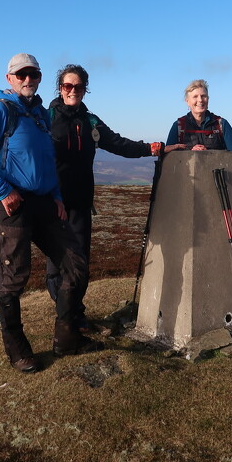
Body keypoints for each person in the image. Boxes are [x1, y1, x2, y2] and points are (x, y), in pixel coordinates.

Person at [0, 53, 99, 373]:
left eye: (32, 74)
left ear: (38, 78)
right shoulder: (0, 111)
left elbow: (45, 160)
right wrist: (4, 190)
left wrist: (56, 195)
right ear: (9, 78)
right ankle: (17, 348)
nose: (27, 79)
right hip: (12, 205)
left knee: (75, 264)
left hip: (45, 203)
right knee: (14, 278)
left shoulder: (39, 113)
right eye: (20, 75)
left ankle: (66, 338)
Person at [45, 64, 184, 330]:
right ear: (60, 88)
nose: (73, 91)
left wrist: (155, 148)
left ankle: (75, 312)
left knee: (80, 262)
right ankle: (67, 314)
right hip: (53, 202)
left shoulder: (91, 121)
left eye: (78, 86)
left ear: (85, 89)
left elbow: (119, 144)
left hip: (81, 203)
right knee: (56, 263)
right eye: (67, 86)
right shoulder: (47, 116)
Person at [165, 79, 232, 164]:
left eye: (203, 96)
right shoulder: (179, 126)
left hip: (216, 176)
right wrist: (190, 153)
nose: (200, 100)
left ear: (208, 99)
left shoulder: (221, 124)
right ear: (187, 101)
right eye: (195, 96)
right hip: (186, 176)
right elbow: (167, 156)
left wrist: (208, 154)